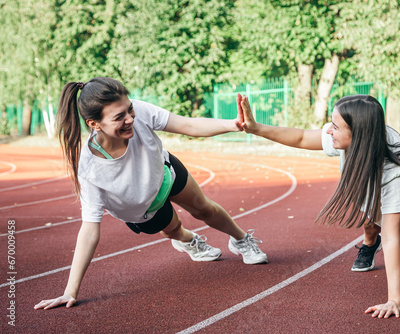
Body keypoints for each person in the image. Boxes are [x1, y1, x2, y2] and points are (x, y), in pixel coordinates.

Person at [34, 77, 267, 310]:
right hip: (142, 208)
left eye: (130, 109)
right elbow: (89, 230)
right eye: (119, 117)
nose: (130, 119)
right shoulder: (90, 169)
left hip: (164, 173)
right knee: (174, 228)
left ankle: (240, 240)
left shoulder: (138, 112)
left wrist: (232, 124)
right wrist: (69, 291)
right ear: (95, 124)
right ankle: (188, 241)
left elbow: (188, 126)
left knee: (204, 207)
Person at [237, 93, 400, 319]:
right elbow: (302, 137)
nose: (329, 130)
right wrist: (255, 128)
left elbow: (392, 238)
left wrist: (394, 301)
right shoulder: (360, 136)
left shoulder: (395, 176)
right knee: (371, 219)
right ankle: (370, 244)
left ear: (358, 134)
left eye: (335, 126)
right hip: (388, 195)